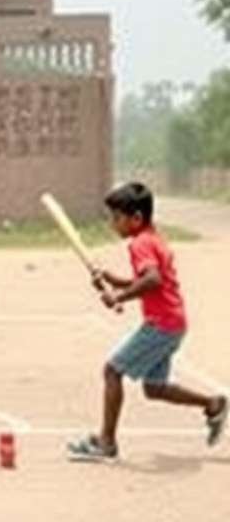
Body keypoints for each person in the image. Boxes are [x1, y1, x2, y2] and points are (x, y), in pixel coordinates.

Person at [68, 182, 227, 461]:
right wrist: (116, 282)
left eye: (116, 218)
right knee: (154, 388)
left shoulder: (140, 243)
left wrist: (119, 296)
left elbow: (152, 280)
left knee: (112, 371)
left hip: (162, 325)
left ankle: (107, 443)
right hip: (172, 322)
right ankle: (213, 403)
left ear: (136, 219)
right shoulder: (153, 238)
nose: (112, 224)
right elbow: (150, 278)